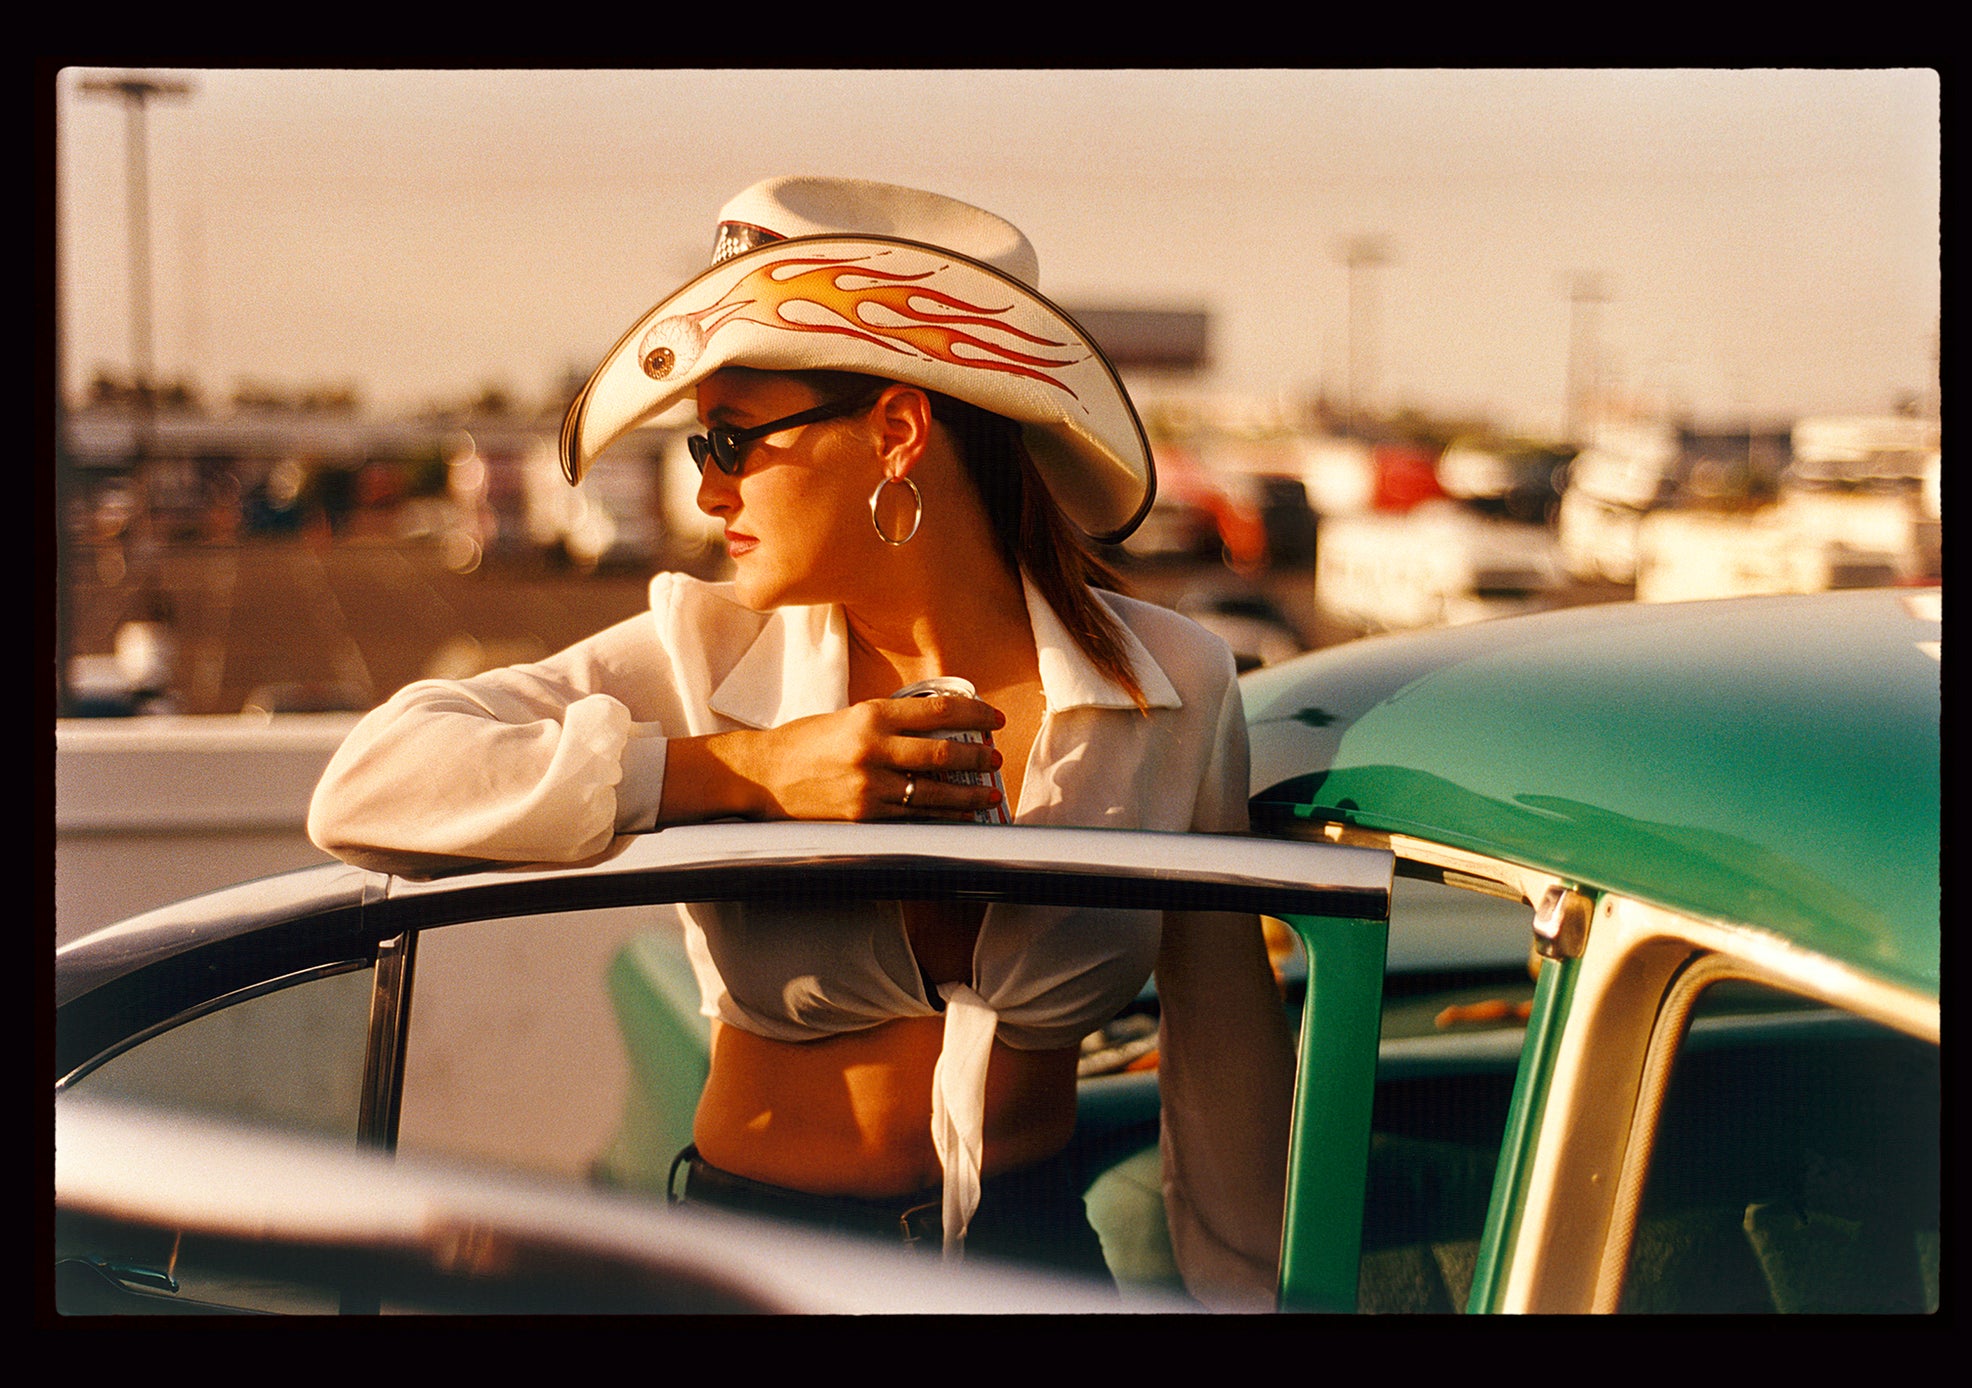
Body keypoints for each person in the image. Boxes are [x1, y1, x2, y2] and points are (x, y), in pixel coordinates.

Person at [307, 176, 1296, 1307]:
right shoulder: (703, 655)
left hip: (1029, 1266)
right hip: (751, 1268)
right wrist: (747, 773)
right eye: (697, 449)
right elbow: (369, 783)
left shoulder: (1173, 682)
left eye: (731, 440)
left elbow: (1226, 1083)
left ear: (895, 428)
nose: (707, 489)